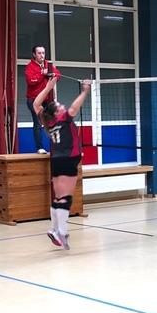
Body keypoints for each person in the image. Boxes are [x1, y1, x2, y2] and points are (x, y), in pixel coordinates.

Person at [34, 74, 91, 250]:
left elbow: (36, 104)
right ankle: (61, 232)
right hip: (69, 159)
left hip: (56, 160)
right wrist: (85, 91)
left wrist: (49, 87)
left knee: (58, 197)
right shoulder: (63, 118)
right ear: (57, 112)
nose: (62, 106)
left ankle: (55, 229)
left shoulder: (47, 122)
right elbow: (74, 108)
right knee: (65, 198)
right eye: (59, 106)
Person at [25, 45, 60, 153]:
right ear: (34, 55)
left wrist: (53, 74)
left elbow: (58, 75)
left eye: (43, 53)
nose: (42, 55)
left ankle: (55, 148)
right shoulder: (30, 66)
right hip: (34, 100)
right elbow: (31, 81)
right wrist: (42, 74)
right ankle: (40, 148)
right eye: (39, 53)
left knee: (52, 123)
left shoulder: (48, 65)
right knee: (38, 123)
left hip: (47, 100)